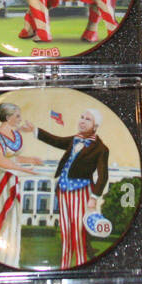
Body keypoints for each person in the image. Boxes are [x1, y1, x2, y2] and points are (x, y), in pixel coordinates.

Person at [36, 108, 109, 269]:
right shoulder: (74, 139)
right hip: (63, 190)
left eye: (87, 119)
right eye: (81, 117)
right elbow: (55, 141)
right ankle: (65, 267)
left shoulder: (100, 148)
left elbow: (103, 176)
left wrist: (94, 198)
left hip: (81, 191)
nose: (82, 121)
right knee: (65, 231)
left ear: (95, 126)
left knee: (78, 232)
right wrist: (35, 131)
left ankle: (81, 265)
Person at [0, 103, 42, 266]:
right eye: (17, 116)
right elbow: (0, 160)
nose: (20, 119)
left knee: (11, 218)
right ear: (8, 117)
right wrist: (24, 169)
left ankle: (8, 259)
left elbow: (13, 157)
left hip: (10, 179)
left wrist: (30, 160)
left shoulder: (14, 134)